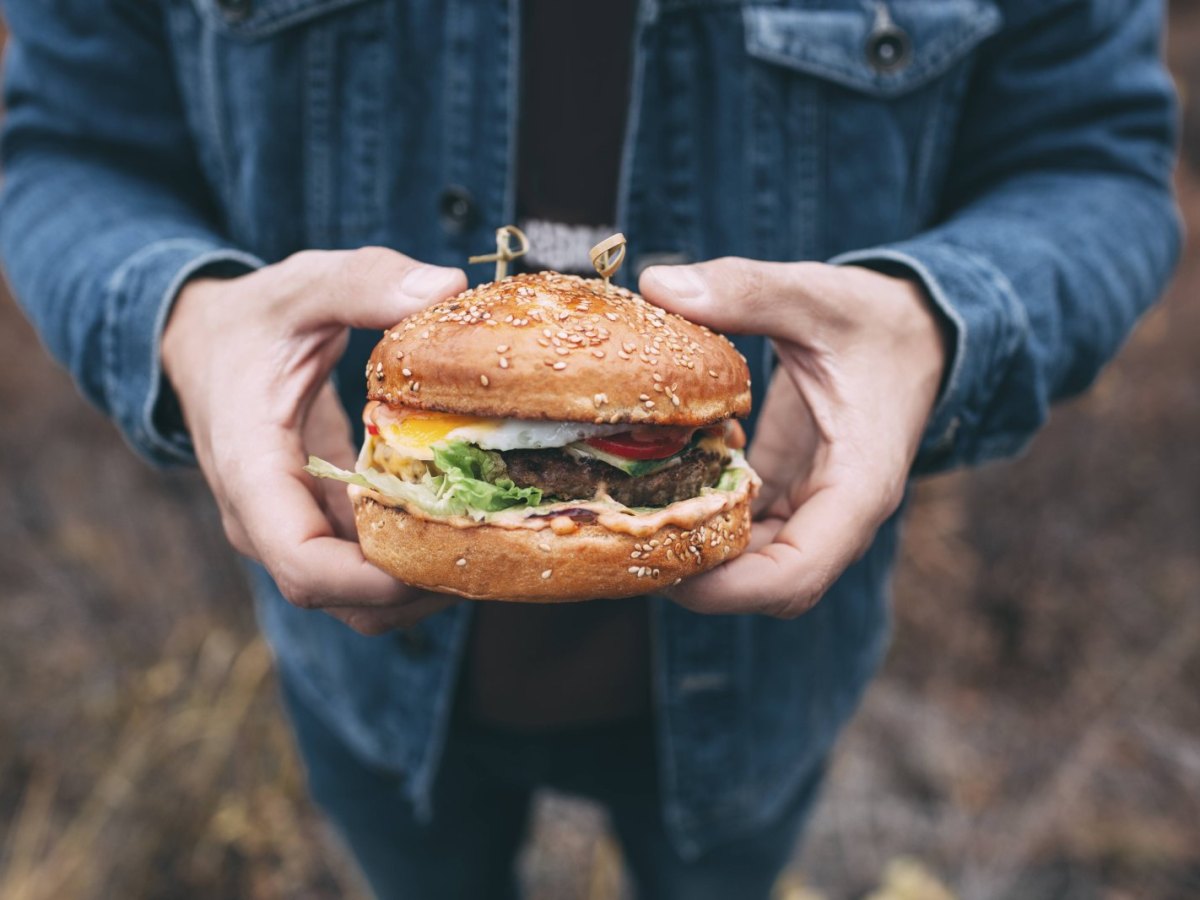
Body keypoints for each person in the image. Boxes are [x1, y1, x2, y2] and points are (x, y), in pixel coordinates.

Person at [0, 1, 1179, 897]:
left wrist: (935, 319)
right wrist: (185, 318)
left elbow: (1096, 162)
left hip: (765, 678)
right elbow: (65, 144)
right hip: (361, 674)